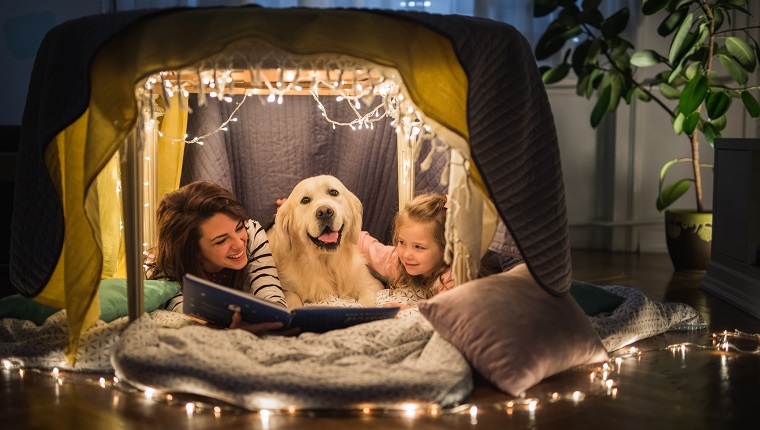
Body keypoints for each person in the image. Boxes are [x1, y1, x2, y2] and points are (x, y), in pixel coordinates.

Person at [145, 180, 293, 334]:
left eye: (239, 227)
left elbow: (271, 295)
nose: (239, 244)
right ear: (193, 249)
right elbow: (189, 316)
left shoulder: (252, 234)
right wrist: (228, 330)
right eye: (221, 240)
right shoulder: (165, 267)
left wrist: (276, 320)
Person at [358, 193, 453, 309]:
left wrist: (403, 309)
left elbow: (442, 309)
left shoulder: (450, 279)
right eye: (402, 242)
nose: (406, 254)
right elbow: (368, 247)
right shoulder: (397, 260)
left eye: (418, 247)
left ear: (446, 248)